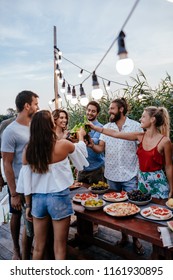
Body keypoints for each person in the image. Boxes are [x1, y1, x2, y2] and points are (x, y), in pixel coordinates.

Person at [16, 110, 88, 260]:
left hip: (37, 200)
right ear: (51, 125)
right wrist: (81, 136)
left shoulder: (28, 150)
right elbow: (81, 161)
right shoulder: (63, 145)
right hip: (59, 198)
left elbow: (26, 183)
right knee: (60, 246)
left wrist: (28, 205)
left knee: (38, 248)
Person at [87, 98, 145, 255]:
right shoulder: (107, 127)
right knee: (117, 208)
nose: (109, 111)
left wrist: (141, 174)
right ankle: (124, 237)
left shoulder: (135, 126)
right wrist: (92, 145)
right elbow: (100, 149)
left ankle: (136, 239)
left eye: (112, 108)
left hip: (130, 175)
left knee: (134, 209)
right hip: (111, 174)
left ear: (121, 109)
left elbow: (141, 151)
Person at [89, 105, 173, 198]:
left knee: (160, 210)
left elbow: (168, 166)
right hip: (142, 182)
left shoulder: (165, 141)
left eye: (144, 116)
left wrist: (172, 189)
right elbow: (115, 134)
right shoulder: (140, 136)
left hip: (158, 183)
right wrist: (94, 127)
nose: (140, 119)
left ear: (153, 119)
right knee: (142, 209)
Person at [1, 90, 39, 260]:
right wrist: (14, 193)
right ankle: (16, 249)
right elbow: (6, 163)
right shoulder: (11, 131)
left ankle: (32, 247)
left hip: (36, 181)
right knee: (16, 215)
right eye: (35, 104)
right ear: (27, 106)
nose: (37, 107)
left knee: (32, 217)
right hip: (18, 183)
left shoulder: (35, 125)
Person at [77, 101, 105, 184]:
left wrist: (82, 136)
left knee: (98, 194)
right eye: (88, 110)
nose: (90, 113)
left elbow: (94, 141)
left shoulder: (100, 127)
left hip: (96, 169)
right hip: (82, 169)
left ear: (97, 113)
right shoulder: (81, 126)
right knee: (81, 195)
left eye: (93, 111)